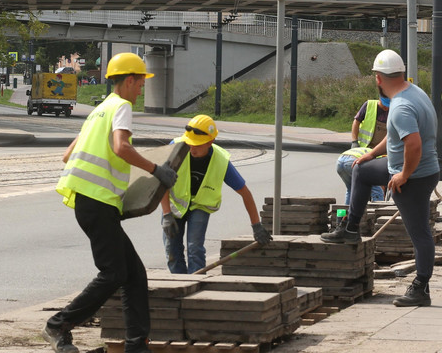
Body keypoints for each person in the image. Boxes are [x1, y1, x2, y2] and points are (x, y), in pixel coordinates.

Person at [43, 52, 178, 353]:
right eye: (141, 83)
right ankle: (58, 325)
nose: (142, 90)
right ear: (129, 80)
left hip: (88, 202)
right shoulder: (122, 107)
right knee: (114, 273)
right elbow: (121, 146)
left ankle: (136, 345)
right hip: (98, 202)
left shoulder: (99, 110)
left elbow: (68, 156)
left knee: (134, 274)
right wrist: (156, 170)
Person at [321, 49, 440, 307]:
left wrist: (403, 175)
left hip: (414, 176)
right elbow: (396, 135)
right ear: (402, 73)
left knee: (419, 232)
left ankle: (421, 287)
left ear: (378, 78)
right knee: (361, 171)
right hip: (404, 168)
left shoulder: (401, 107)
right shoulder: (412, 93)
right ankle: (351, 230)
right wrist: (371, 154)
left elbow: (414, 145)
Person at [160, 114, 272, 274]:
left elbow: (245, 193)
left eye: (197, 145)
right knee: (172, 250)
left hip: (200, 207)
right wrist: (166, 214)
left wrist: (256, 226)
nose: (192, 148)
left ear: (210, 142)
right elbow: (161, 182)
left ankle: (196, 284)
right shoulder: (176, 147)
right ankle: (179, 285)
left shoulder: (220, 161)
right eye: (189, 143)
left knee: (195, 248)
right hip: (174, 206)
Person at [335, 95, 390, 214]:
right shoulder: (369, 105)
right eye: (385, 105)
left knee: (351, 189)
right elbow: (356, 122)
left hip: (343, 160)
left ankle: (344, 218)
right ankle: (376, 216)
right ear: (380, 100)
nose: (387, 108)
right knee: (377, 189)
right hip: (364, 153)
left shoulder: (393, 111)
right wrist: (354, 141)